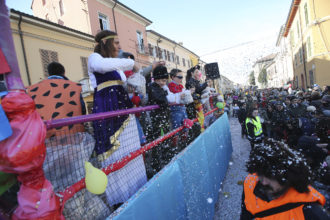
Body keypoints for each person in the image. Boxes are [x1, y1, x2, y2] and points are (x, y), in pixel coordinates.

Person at [88, 30, 147, 207]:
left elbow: (123, 83)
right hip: (107, 109)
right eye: (116, 43)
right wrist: (131, 63)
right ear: (106, 43)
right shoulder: (94, 58)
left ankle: (136, 189)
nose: (119, 47)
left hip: (123, 109)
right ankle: (119, 199)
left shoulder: (116, 67)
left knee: (130, 147)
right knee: (114, 153)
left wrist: (135, 83)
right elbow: (102, 67)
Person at [240, 139, 329, 220]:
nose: (264, 182)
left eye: (270, 176)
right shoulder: (250, 183)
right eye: (260, 174)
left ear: (287, 175)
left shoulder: (311, 212)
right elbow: (246, 212)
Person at [27, 62, 86, 138]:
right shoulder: (74, 87)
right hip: (73, 133)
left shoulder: (34, 89)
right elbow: (83, 109)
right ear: (63, 72)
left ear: (49, 73)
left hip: (48, 136)